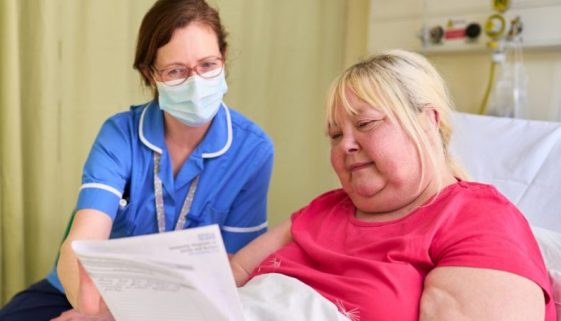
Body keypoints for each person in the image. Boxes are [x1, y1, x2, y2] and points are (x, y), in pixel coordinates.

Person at [229, 50, 556, 320]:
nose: (346, 145)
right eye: (335, 135)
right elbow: (226, 280)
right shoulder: (323, 208)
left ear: (429, 122)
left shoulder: (476, 220)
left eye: (365, 124)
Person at [0, 0, 273, 320]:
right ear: (150, 74)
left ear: (223, 59)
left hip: (184, 304)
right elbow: (82, 241)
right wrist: (90, 311)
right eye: (176, 71)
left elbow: (231, 266)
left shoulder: (253, 150)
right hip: (90, 292)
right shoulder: (120, 135)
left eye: (208, 65)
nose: (196, 82)